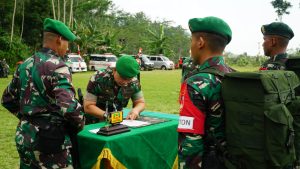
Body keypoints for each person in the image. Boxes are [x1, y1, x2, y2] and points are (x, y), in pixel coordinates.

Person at [1, 18, 84, 168]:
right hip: (50, 141)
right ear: (59, 40)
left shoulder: (25, 64)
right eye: (67, 42)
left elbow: (7, 99)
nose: (67, 47)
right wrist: (80, 123)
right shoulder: (58, 66)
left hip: (24, 135)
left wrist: (28, 117)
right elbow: (69, 108)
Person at [177, 16, 234, 169]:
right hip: (233, 160)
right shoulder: (234, 75)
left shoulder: (195, 83)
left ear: (200, 42)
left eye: (191, 41)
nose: (191, 48)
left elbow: (190, 142)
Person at [83, 55, 145, 124]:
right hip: (95, 122)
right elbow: (88, 106)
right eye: (123, 78)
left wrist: (136, 110)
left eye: (129, 79)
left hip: (117, 122)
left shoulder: (134, 82)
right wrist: (107, 116)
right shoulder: (98, 78)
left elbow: (140, 102)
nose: (125, 82)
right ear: (114, 70)